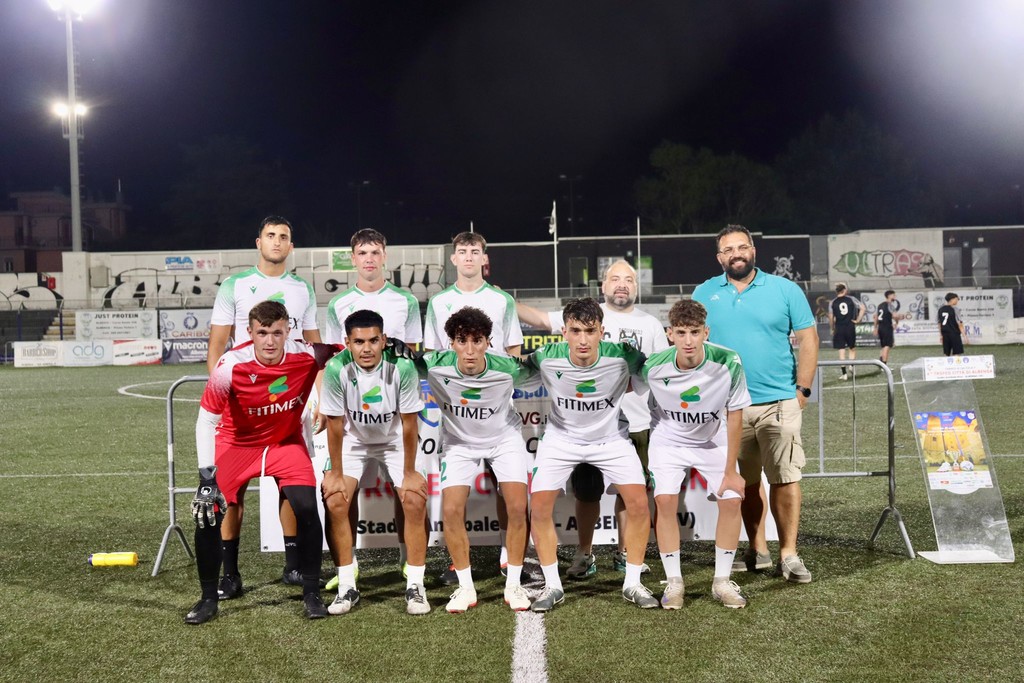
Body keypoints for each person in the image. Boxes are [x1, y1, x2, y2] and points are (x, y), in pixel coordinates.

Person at [185, 301, 340, 624]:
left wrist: (393, 346)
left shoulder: (308, 354)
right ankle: (209, 597)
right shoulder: (230, 365)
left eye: (277, 333)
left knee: (307, 507)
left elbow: (351, 349)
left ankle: (311, 593)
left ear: (288, 331)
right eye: (263, 333)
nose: (270, 341)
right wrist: (206, 477)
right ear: (250, 332)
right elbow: (206, 420)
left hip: (284, 443)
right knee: (209, 515)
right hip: (236, 444)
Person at [517, 259, 668, 578]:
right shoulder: (582, 316)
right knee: (587, 493)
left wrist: (611, 383)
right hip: (581, 429)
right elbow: (540, 323)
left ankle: (625, 556)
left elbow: (654, 372)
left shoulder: (650, 325)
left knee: (633, 496)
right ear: (604, 285)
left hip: (633, 423)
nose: (622, 284)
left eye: (629, 279)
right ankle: (584, 554)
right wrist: (503, 301)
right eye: (615, 278)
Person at [692, 224, 819, 585]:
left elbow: (809, 339)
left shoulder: (784, 289)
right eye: (728, 249)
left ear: (753, 251)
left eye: (742, 247)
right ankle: (757, 548)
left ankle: (789, 554)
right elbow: (693, 342)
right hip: (728, 408)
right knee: (744, 483)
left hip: (779, 402)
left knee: (785, 478)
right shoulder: (704, 293)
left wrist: (802, 390)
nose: (736, 254)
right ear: (719, 257)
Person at [206, 215, 322, 594]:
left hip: (289, 403)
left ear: (291, 245)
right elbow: (217, 345)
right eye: (270, 235)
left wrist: (319, 396)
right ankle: (230, 574)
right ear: (259, 242)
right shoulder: (235, 285)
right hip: (243, 403)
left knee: (291, 486)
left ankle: (293, 567)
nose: (276, 241)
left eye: (283, 236)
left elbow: (313, 344)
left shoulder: (303, 289)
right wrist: (222, 392)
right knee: (231, 493)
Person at [423, 231, 524, 583]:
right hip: (459, 411)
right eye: (462, 251)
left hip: (497, 409)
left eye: (475, 251)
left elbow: (513, 353)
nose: (468, 257)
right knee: (455, 499)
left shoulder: (502, 300)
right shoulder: (438, 302)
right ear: (453, 259)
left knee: (507, 490)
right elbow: (433, 357)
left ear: (484, 257)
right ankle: (458, 564)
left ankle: (509, 556)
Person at [418, 307, 533, 613]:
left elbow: (546, 370)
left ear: (488, 342)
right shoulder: (433, 364)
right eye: (462, 341)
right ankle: (466, 588)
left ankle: (514, 585)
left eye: (477, 341)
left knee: (517, 507)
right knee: (451, 510)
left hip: (504, 440)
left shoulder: (508, 367)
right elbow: (393, 364)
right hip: (459, 443)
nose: (469, 350)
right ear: (451, 343)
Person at [323, 228, 423, 580]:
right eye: (363, 253)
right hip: (353, 414)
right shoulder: (338, 305)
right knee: (341, 494)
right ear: (353, 259)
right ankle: (347, 567)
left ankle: (407, 559)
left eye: (375, 252)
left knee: (406, 490)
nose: (369, 259)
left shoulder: (406, 301)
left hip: (395, 411)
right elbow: (333, 358)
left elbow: (413, 354)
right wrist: (323, 401)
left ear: (385, 256)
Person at [317, 310, 431, 616]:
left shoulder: (402, 367)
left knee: (414, 498)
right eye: (359, 342)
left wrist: (409, 472)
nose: (366, 348)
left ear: (383, 340)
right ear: (347, 343)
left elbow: (410, 423)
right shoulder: (336, 369)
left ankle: (415, 585)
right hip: (354, 441)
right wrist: (336, 473)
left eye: (372, 341)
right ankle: (346, 586)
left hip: (394, 440)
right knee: (335, 499)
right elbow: (335, 425)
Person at [639, 299, 750, 609]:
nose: (688, 340)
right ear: (670, 334)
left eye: (695, 332)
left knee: (732, 499)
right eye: (681, 333)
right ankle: (674, 581)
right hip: (669, 440)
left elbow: (736, 413)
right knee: (664, 500)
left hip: (713, 439)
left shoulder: (728, 361)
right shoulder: (653, 365)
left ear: (706, 332)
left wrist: (731, 470)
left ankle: (721, 581)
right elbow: (622, 381)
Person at [828, 283, 865, 380]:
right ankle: (851, 366)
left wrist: (832, 328)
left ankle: (844, 374)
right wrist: (858, 320)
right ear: (844, 290)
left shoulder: (832, 302)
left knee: (841, 350)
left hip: (839, 327)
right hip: (850, 326)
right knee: (852, 348)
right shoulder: (851, 299)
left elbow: (831, 317)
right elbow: (863, 308)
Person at [873, 290, 905, 364]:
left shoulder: (880, 305)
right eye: (893, 295)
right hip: (887, 327)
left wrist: (875, 328)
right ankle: (884, 365)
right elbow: (895, 316)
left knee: (883, 346)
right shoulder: (890, 305)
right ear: (889, 296)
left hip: (880, 327)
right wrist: (899, 319)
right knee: (887, 346)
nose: (895, 297)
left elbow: (876, 317)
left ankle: (881, 361)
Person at [938, 292, 965, 356]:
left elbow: (939, 324)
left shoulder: (940, 309)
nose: (957, 300)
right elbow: (960, 323)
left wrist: (941, 335)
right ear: (952, 299)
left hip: (945, 334)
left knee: (946, 353)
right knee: (957, 353)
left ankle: (947, 363)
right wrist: (964, 336)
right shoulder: (955, 309)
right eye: (956, 299)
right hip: (954, 333)